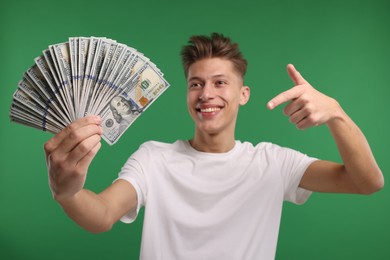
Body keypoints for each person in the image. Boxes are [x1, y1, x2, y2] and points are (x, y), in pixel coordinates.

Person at [44, 33, 384, 259]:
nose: (206, 94)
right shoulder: (154, 158)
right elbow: (102, 215)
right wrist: (67, 193)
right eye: (196, 84)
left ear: (243, 94)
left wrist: (337, 115)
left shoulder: (273, 163)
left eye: (220, 83)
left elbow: (367, 182)